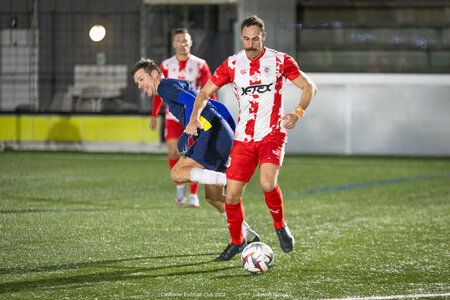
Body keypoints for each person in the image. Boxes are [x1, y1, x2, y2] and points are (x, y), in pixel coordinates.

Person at [185, 15, 317, 261]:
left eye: (255, 39)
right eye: (246, 39)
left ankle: (280, 226)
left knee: (267, 183)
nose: (250, 44)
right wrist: (194, 119)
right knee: (232, 196)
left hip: (272, 134)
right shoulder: (233, 64)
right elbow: (204, 92)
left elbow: (309, 87)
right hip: (243, 138)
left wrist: (297, 113)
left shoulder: (279, 60)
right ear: (241, 38)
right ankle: (237, 242)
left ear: (263, 37)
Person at [131, 58, 260, 245]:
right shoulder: (174, 85)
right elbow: (218, 106)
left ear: (154, 74)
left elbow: (190, 101)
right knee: (214, 198)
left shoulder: (165, 87)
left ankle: (226, 179)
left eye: (141, 79)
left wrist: (190, 126)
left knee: (177, 173)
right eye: (137, 83)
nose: (140, 85)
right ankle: (247, 235)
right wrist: (233, 135)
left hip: (211, 134)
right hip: (220, 133)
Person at [150, 28, 216, 208]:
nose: (182, 43)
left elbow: (209, 90)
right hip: (172, 117)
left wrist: (212, 113)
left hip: (193, 118)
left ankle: (194, 194)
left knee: (194, 155)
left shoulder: (200, 64)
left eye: (185, 40)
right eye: (179, 40)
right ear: (174, 43)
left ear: (191, 43)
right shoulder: (165, 65)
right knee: (173, 151)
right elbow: (158, 91)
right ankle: (180, 186)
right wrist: (155, 115)